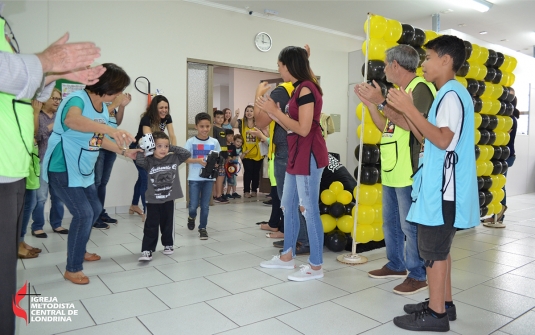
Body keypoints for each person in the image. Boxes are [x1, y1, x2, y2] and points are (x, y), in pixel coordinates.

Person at [0, 7, 106, 331]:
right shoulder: (77, 106)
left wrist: (49, 75)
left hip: (14, 165)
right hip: (27, 167)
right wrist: (43, 63)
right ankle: (73, 264)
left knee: (7, 275)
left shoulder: (4, 23)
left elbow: (18, 90)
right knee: (80, 212)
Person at [387, 35, 479, 332]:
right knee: (441, 249)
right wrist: (406, 112)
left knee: (433, 252)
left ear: (445, 60)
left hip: (443, 190)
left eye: (428, 58)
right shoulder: (448, 93)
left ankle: (436, 315)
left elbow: (441, 139)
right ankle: (445, 304)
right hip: (440, 187)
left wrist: (410, 110)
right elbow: (428, 136)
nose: (424, 64)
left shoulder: (451, 94)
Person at [42, 63, 139, 285]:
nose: (121, 94)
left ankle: (79, 248)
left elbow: (97, 138)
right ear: (107, 88)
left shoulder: (102, 108)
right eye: (119, 89)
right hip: (63, 165)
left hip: (82, 168)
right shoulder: (77, 99)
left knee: (94, 209)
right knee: (84, 213)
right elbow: (72, 121)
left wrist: (125, 151)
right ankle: (73, 268)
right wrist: (112, 129)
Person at [355, 44, 436, 295]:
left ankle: (418, 274)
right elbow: (387, 128)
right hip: (391, 169)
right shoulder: (398, 92)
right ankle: (396, 264)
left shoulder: (420, 89)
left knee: (409, 226)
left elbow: (415, 126)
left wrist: (381, 101)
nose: (384, 70)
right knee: (390, 223)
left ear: (395, 65)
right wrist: (372, 105)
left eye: (386, 65)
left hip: (409, 170)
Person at [256, 46, 328, 282]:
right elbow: (290, 127)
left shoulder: (307, 88)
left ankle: (316, 266)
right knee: (288, 204)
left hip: (308, 154)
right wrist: (274, 113)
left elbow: (304, 128)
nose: (278, 70)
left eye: (279, 65)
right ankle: (287, 255)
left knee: (308, 208)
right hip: (296, 153)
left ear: (288, 65)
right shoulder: (299, 89)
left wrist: (275, 111)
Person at [136, 131, 190, 261]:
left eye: (165, 146)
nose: (163, 149)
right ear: (153, 147)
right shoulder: (148, 161)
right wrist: (143, 148)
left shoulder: (173, 158)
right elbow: (139, 161)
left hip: (168, 199)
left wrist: (170, 146)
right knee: (151, 225)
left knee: (168, 223)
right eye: (159, 146)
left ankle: (168, 244)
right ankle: (147, 250)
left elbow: (186, 153)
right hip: (153, 200)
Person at [130, 95, 177, 221]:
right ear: (155, 108)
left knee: (141, 179)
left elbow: (172, 135)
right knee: (146, 178)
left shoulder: (167, 118)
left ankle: (134, 205)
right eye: (161, 107)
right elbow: (149, 140)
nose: (164, 110)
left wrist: (173, 151)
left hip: (154, 149)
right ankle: (147, 211)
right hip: (139, 150)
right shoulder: (146, 119)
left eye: (166, 107)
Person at [30, 88, 68, 238]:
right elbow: (37, 135)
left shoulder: (61, 116)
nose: (56, 101)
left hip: (59, 162)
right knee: (41, 197)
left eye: (58, 99)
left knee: (58, 196)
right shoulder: (37, 115)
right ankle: (37, 226)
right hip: (42, 161)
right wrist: (55, 125)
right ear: (44, 99)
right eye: (53, 98)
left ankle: (57, 224)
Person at [93, 92, 132, 229]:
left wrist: (121, 107)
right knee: (96, 182)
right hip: (98, 145)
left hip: (112, 146)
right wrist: (115, 103)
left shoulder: (112, 104)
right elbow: (96, 118)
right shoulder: (98, 102)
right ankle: (94, 216)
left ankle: (100, 212)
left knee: (103, 183)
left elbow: (117, 121)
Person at [483, 91, 518, 228]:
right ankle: (497, 214)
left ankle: (500, 212)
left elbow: (500, 138)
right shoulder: (508, 119)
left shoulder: (509, 120)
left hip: (506, 156)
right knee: (498, 184)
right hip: (504, 156)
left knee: (500, 184)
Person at [185, 112, 221, 240]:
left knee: (205, 205)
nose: (205, 129)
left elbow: (218, 158)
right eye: (202, 126)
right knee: (193, 205)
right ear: (196, 126)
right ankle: (191, 216)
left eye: (207, 126)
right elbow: (185, 159)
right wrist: (198, 160)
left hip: (209, 178)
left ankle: (203, 228)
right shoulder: (190, 141)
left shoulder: (214, 142)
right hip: (194, 178)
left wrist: (216, 164)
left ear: (210, 126)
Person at [236, 105, 264, 198]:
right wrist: (236, 115)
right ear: (245, 113)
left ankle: (254, 190)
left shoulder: (259, 123)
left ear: (254, 113)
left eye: (251, 111)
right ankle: (246, 191)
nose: (249, 113)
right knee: (248, 172)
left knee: (256, 173)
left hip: (258, 153)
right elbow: (232, 124)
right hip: (246, 153)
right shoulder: (242, 123)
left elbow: (264, 135)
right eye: (247, 111)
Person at [212, 109, 230, 203]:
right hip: (217, 155)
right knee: (218, 175)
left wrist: (226, 155)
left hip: (224, 155)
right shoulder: (214, 129)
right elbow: (214, 142)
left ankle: (218, 194)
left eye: (221, 117)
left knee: (221, 175)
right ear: (214, 118)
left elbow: (225, 144)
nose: (220, 119)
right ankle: (217, 195)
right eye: (218, 117)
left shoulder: (223, 129)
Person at [223, 129, 240, 199]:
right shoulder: (223, 145)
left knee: (231, 179)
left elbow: (234, 155)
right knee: (223, 180)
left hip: (231, 166)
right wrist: (226, 159)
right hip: (224, 166)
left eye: (232, 136)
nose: (230, 137)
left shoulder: (233, 146)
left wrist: (232, 158)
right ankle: (221, 193)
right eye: (229, 136)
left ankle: (228, 193)